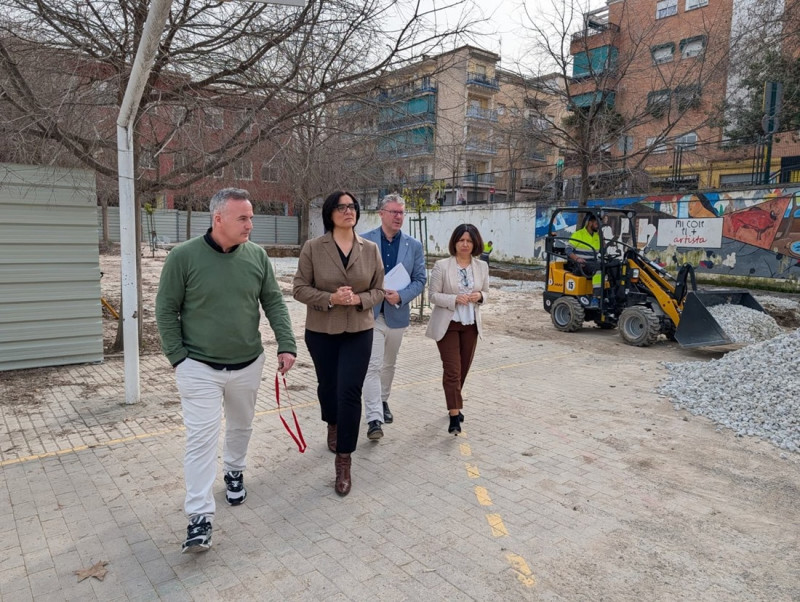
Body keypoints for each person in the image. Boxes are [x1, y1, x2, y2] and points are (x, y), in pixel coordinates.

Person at [155, 188, 297, 554]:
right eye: (243, 218)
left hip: (248, 361)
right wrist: (178, 358)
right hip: (198, 367)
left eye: (251, 216)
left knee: (241, 425)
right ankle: (199, 518)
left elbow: (274, 302)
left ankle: (234, 471)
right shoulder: (183, 258)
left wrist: (286, 343)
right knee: (201, 439)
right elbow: (165, 309)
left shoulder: (257, 257)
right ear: (218, 219)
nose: (251, 224)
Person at [292, 191, 384, 496]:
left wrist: (360, 299)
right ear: (330, 214)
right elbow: (299, 288)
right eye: (342, 207)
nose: (349, 211)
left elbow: (379, 290)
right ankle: (331, 422)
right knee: (328, 387)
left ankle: (344, 460)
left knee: (349, 391)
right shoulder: (314, 248)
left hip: (359, 329)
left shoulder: (370, 249)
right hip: (321, 331)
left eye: (352, 207)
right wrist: (329, 298)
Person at [360, 193, 426, 441]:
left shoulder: (414, 245)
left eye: (401, 212)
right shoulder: (365, 241)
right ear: (381, 213)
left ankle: (383, 400)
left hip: (397, 314)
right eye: (394, 212)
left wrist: (402, 296)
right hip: (372, 314)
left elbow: (420, 279)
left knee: (389, 364)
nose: (399, 217)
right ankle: (374, 417)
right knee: (372, 365)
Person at [425, 224, 489, 435]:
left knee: (463, 370)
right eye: (461, 240)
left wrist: (479, 296)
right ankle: (454, 416)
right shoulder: (442, 266)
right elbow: (432, 295)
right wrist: (454, 299)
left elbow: (486, 292)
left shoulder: (482, 267)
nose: (465, 244)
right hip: (448, 324)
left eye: (469, 241)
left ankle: (454, 402)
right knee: (452, 370)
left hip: (471, 325)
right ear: (454, 242)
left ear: (475, 244)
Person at [566, 214, 602, 306]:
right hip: (581, 264)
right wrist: (577, 259)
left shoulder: (597, 236)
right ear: (590, 223)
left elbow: (603, 249)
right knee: (598, 269)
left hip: (592, 263)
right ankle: (595, 297)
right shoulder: (579, 234)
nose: (598, 225)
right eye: (596, 223)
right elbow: (568, 250)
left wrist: (603, 238)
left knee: (614, 267)